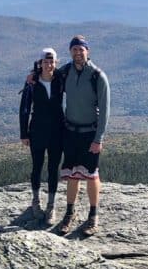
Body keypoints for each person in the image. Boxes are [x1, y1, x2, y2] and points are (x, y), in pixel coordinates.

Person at [58, 35, 110, 236]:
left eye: (81, 49)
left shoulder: (97, 76)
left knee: (91, 174)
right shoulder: (66, 71)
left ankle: (93, 215)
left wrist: (99, 139)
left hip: (90, 133)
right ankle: (69, 212)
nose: (78, 53)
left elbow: (105, 111)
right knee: (72, 173)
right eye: (74, 49)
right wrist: (32, 75)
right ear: (70, 51)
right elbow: (47, 73)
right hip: (70, 132)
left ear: (87, 51)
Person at [20, 47, 65, 223]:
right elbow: (24, 108)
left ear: (56, 62)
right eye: (45, 62)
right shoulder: (32, 82)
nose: (49, 64)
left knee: (54, 168)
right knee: (37, 167)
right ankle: (36, 201)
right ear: (40, 63)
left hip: (57, 131)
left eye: (52, 61)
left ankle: (51, 206)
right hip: (37, 131)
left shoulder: (61, 78)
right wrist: (24, 133)